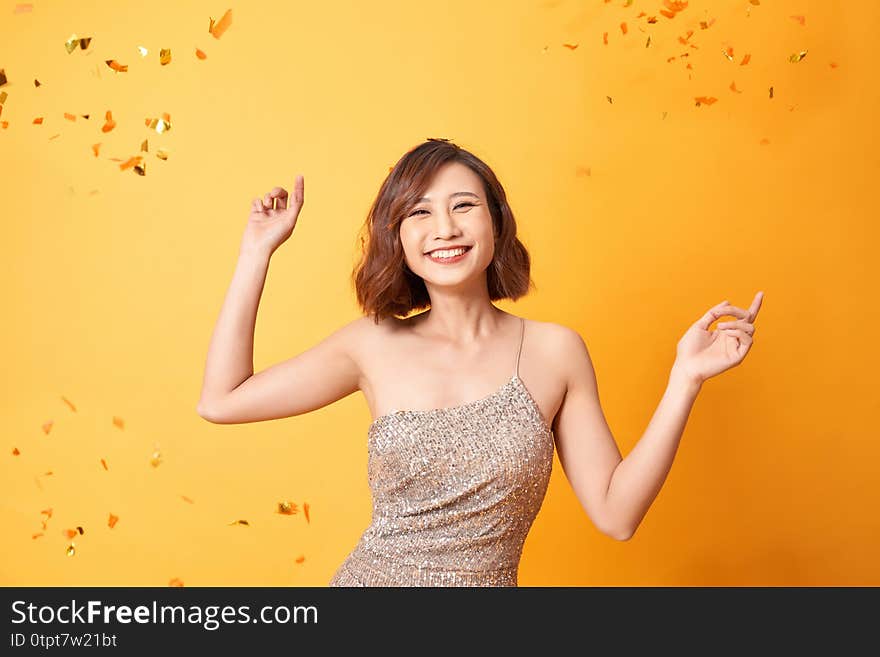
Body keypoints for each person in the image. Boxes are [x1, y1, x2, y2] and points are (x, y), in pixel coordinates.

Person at [196, 139, 764, 586]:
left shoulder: (554, 351)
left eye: (463, 205)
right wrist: (256, 251)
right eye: (419, 212)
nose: (444, 228)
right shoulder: (369, 345)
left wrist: (684, 381)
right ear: (398, 237)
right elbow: (221, 401)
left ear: (495, 222)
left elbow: (617, 516)